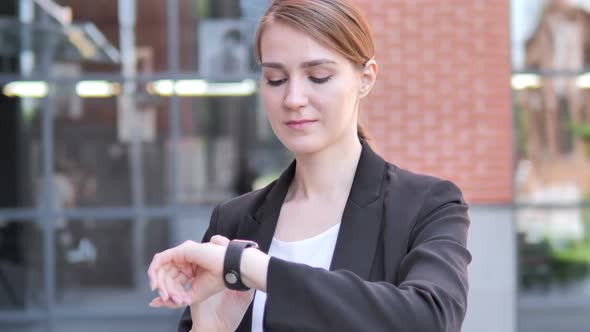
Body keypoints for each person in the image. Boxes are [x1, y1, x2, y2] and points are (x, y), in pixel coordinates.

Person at [147, 0, 472, 331]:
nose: (293, 98)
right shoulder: (234, 220)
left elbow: (430, 318)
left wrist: (253, 268)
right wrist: (212, 328)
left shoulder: (426, 206)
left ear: (366, 78)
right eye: (275, 79)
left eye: (318, 76)